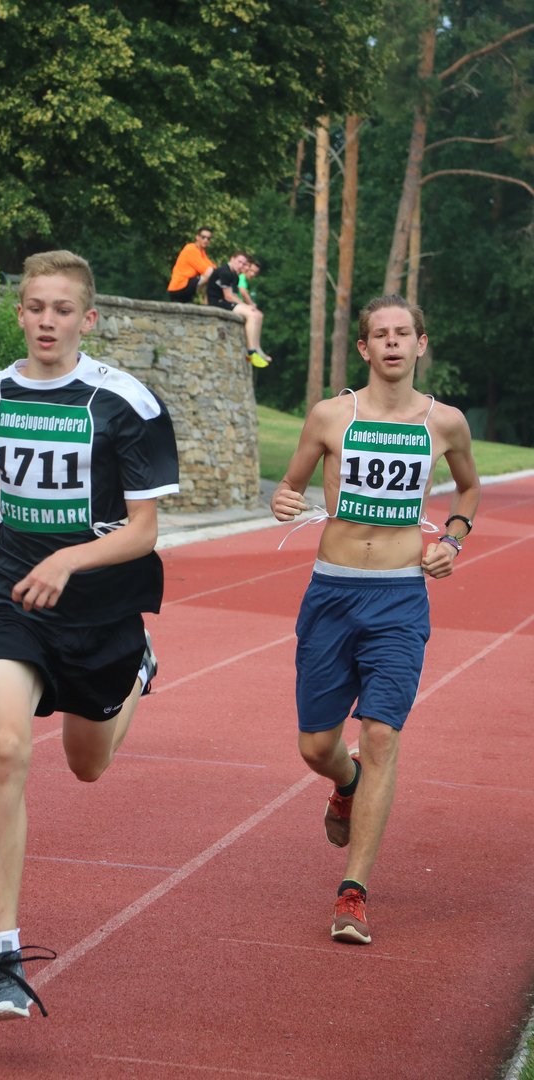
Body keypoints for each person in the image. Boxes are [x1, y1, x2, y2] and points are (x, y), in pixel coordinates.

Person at [0, 249, 179, 1020]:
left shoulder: (125, 403)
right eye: (35, 306)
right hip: (11, 592)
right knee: (8, 745)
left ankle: (135, 672)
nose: (47, 320)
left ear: (87, 320)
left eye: (62, 309)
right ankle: (3, 958)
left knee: (87, 765)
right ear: (19, 313)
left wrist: (69, 559)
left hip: (99, 604)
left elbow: (143, 531)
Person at [271, 294, 480, 946]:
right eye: (380, 334)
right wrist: (284, 498)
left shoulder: (445, 423)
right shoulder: (331, 415)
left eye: (403, 333)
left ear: (421, 344)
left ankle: (353, 891)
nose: (392, 343)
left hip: (399, 598)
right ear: (363, 348)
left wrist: (453, 540)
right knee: (316, 747)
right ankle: (346, 781)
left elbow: (469, 488)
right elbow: (291, 485)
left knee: (382, 734)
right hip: (332, 593)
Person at [206, 251, 272, 368]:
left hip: (225, 301)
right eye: (239, 262)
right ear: (232, 259)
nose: (241, 265)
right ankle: (251, 352)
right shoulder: (224, 272)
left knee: (258, 315)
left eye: (244, 263)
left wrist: (247, 306)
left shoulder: (234, 275)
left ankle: (257, 348)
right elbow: (228, 296)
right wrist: (246, 306)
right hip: (217, 302)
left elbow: (234, 295)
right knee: (251, 315)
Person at [166, 227, 216, 303]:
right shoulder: (191, 249)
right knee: (210, 272)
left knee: (213, 275)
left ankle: (209, 302)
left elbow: (211, 265)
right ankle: (208, 302)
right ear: (197, 237)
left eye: (208, 239)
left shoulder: (201, 252)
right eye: (203, 237)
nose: (206, 240)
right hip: (179, 287)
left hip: (187, 286)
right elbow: (205, 269)